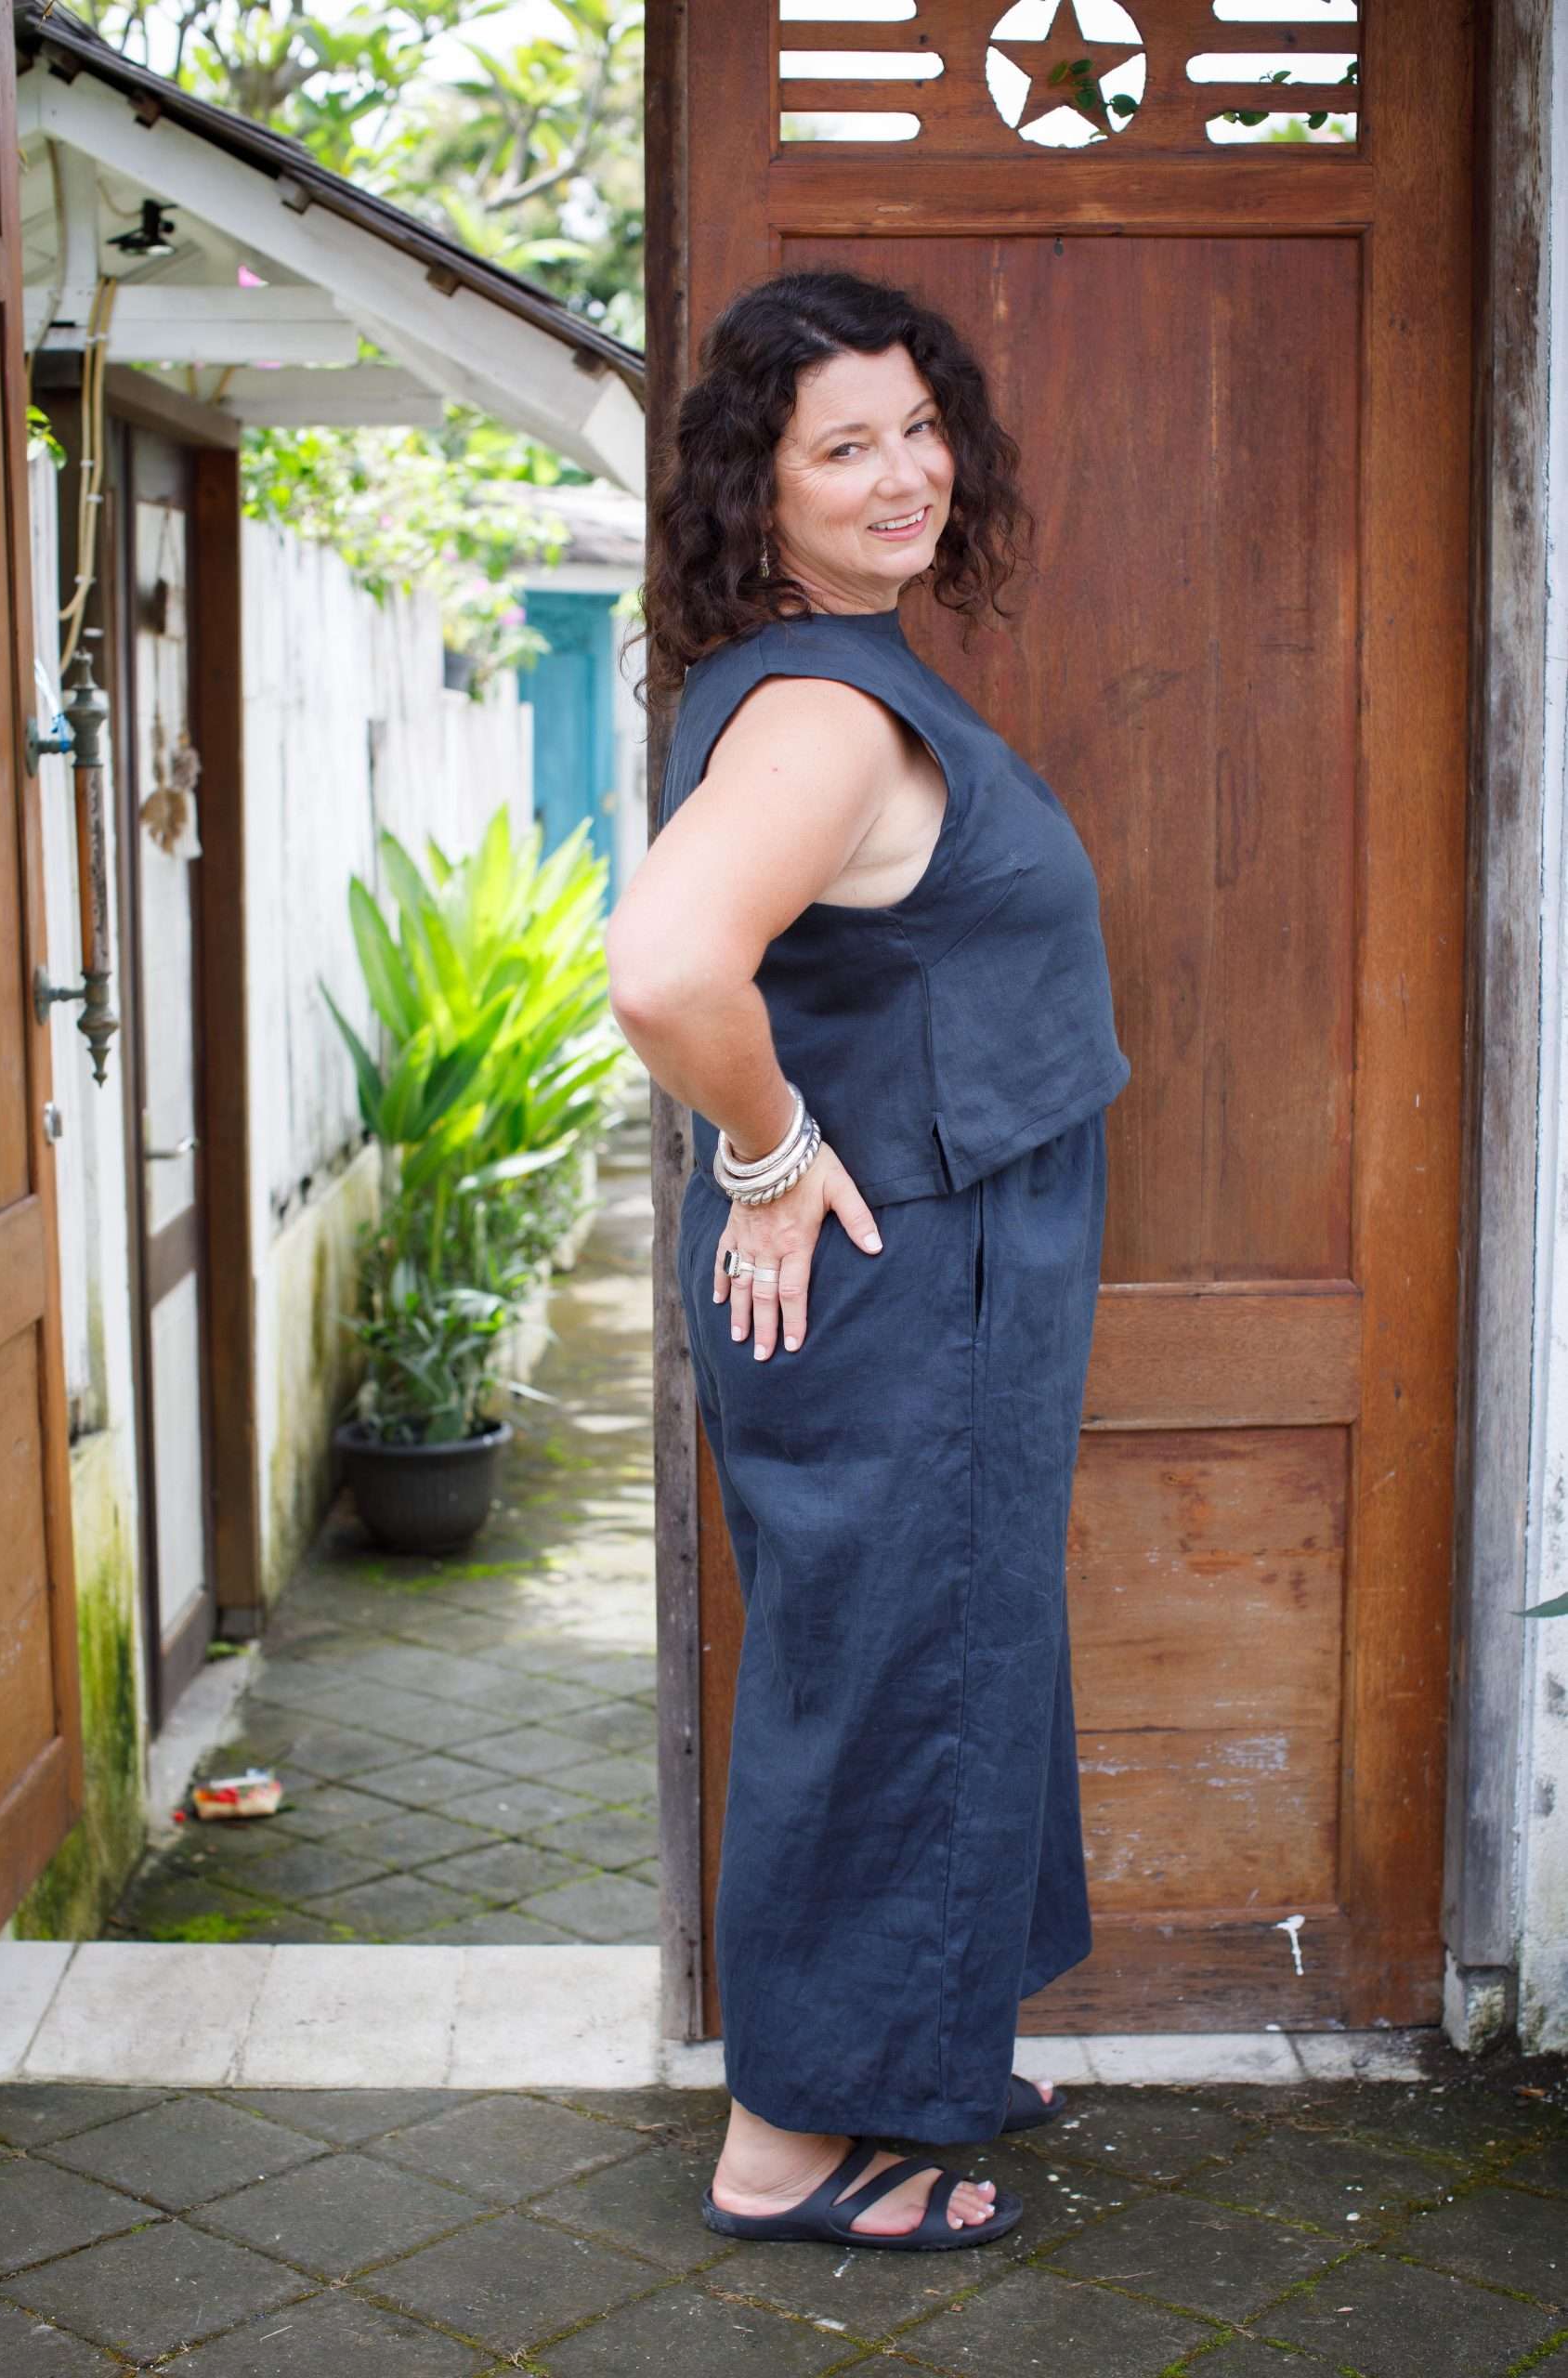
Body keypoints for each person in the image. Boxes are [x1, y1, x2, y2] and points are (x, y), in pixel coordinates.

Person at [607, 268, 1130, 2254]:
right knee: (889, 1669)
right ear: (760, 486)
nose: (906, 473)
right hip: (914, 1268)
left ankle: (917, 2038)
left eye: (919, 427)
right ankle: (788, 2145)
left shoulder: (820, 667)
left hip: (947, 1250)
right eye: (845, 446)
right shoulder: (821, 710)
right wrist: (768, 1149)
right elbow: (669, 973)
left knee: (949, 1641)